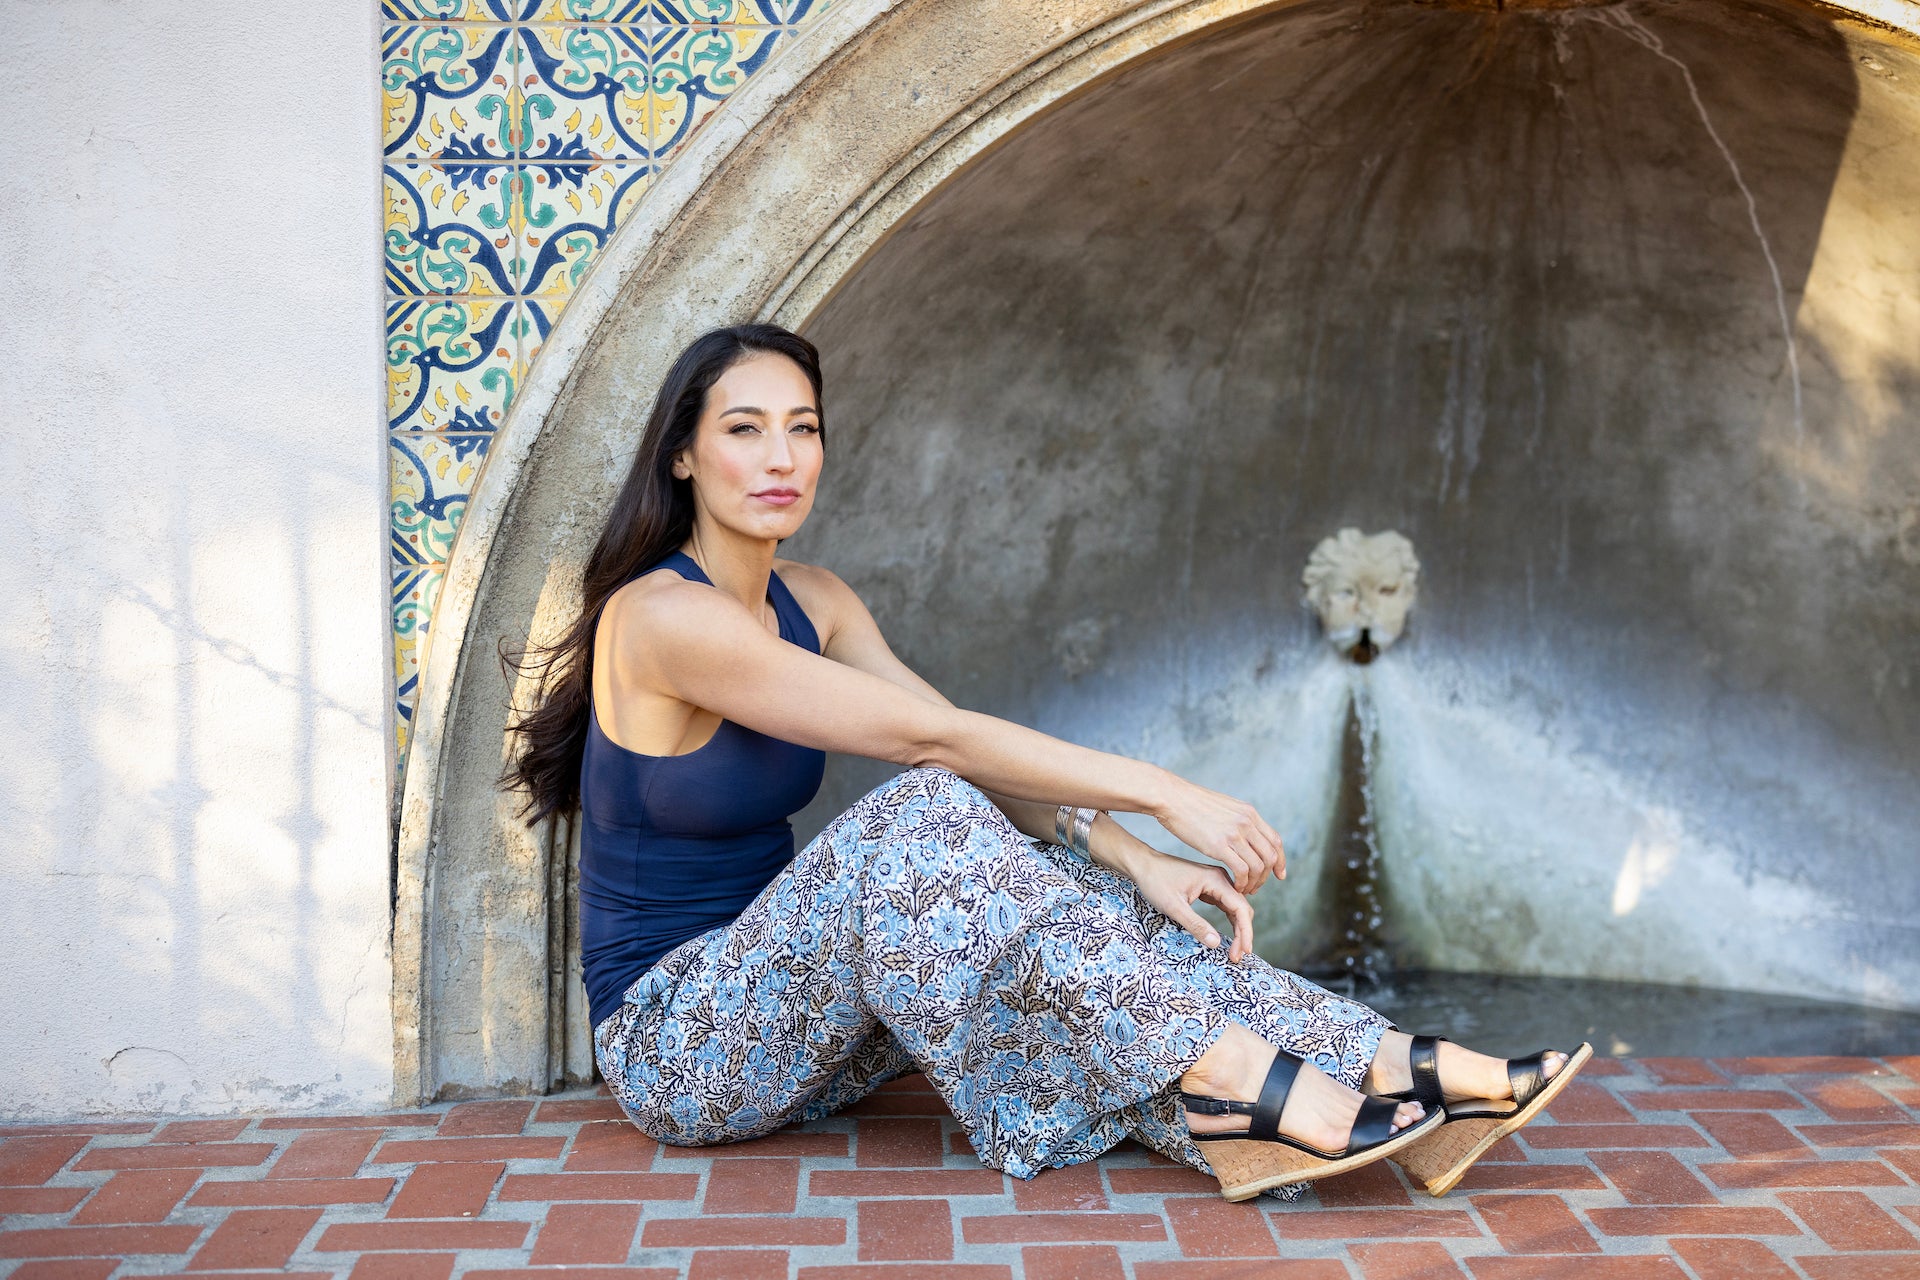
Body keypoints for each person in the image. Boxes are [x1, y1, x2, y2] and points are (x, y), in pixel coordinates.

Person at [500, 323, 1589, 1202]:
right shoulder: (658, 620)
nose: (781, 458)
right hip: (685, 1042)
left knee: (1055, 887)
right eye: (745, 429)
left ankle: (1386, 1076)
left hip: (818, 1032)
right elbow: (935, 748)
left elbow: (955, 730)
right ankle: (1243, 1075)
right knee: (919, 813)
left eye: (803, 428)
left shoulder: (817, 602)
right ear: (684, 454)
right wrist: (1165, 790)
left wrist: (1129, 854)